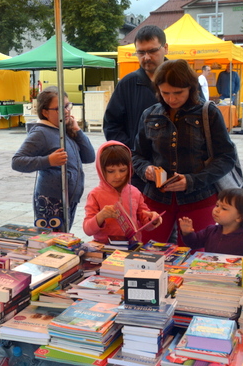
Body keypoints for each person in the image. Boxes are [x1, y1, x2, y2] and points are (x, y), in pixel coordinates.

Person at [132, 59, 238, 245]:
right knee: (146, 252)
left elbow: (226, 157)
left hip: (199, 199)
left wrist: (191, 181)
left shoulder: (208, 113)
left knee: (195, 256)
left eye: (178, 92)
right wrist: (145, 169)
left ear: (191, 88)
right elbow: (137, 155)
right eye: (165, 93)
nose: (171, 99)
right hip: (155, 199)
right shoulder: (150, 114)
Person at [11, 86, 95, 231]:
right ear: (45, 112)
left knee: (64, 238)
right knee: (53, 240)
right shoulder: (41, 133)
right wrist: (48, 160)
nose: (66, 111)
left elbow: (89, 157)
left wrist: (77, 131)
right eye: (59, 109)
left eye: (67, 106)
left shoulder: (64, 129)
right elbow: (17, 162)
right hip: (51, 200)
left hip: (69, 199)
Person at [104, 25, 168, 190]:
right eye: (141, 52)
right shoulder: (127, 84)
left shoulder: (184, 80)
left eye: (152, 51)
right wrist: (131, 155)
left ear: (165, 48)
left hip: (177, 172)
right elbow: (111, 125)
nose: (146, 57)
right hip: (139, 175)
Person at [83, 141, 162, 243]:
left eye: (122, 170)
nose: (118, 176)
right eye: (111, 171)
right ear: (101, 170)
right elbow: (87, 230)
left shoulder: (135, 192)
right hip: (105, 247)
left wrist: (152, 219)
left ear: (129, 169)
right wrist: (101, 216)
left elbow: (145, 219)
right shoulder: (95, 195)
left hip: (132, 246)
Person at [179, 188, 243, 257]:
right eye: (217, 205)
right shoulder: (211, 230)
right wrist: (187, 233)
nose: (216, 210)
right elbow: (193, 243)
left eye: (224, 208)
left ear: (239, 217)